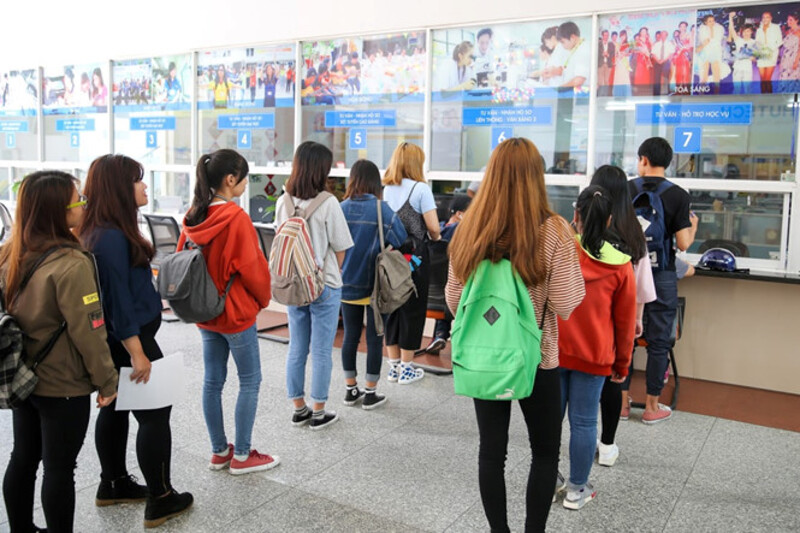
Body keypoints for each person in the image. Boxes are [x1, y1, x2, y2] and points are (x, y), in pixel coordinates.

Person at [445, 137, 584, 532]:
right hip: (538, 356)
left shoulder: (469, 229)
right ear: (536, 177)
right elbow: (566, 302)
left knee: (491, 453)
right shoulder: (554, 230)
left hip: (484, 358)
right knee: (544, 453)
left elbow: (456, 302)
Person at [79, 155, 193, 528]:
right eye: (137, 181)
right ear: (118, 188)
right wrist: (138, 352)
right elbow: (117, 301)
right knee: (155, 414)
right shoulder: (111, 237)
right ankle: (160, 498)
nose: (145, 187)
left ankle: (113, 484)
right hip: (131, 340)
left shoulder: (101, 229)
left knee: (115, 408)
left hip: (119, 340)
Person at [2, 171, 118, 533]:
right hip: (63, 383)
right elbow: (90, 332)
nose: (84, 205)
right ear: (58, 210)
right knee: (58, 468)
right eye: (77, 200)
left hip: (22, 376)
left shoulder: (9, 252)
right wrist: (107, 381)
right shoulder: (72, 264)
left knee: (23, 457)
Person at [178, 149, 277, 474]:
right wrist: (263, 301)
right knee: (250, 380)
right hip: (235, 314)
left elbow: (181, 260)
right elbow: (253, 268)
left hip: (205, 313)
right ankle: (244, 455)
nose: (246, 183)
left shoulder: (193, 216)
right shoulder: (235, 218)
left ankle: (219, 451)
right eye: (244, 177)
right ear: (230, 179)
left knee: (213, 381)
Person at [557, 185, 636, 510]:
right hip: (596, 356)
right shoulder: (621, 266)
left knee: (551, 420)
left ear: (575, 216)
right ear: (609, 222)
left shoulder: (558, 253)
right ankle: (577, 489)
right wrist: (623, 364)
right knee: (585, 421)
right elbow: (625, 323)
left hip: (555, 352)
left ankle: (548, 479)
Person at [275, 141, 353, 429]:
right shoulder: (328, 203)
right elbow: (342, 246)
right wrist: (331, 270)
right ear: (322, 169)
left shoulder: (283, 201)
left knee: (297, 347)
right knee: (321, 350)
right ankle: (319, 411)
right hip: (325, 285)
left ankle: (298, 408)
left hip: (293, 285)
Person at [624, 138, 698, 424]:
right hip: (663, 275)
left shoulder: (627, 189)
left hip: (628, 274)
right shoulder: (678, 195)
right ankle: (653, 407)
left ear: (643, 159)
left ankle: (621, 403)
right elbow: (682, 243)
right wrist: (692, 228)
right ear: (666, 162)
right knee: (658, 342)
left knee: (625, 336)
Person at [590, 165, 656, 466]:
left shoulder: (583, 228)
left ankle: (585, 439)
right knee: (614, 382)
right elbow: (641, 289)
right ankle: (607, 445)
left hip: (584, 321)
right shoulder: (635, 232)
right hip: (620, 323)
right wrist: (636, 322)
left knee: (584, 384)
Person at [339, 160, 407, 410]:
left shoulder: (340, 208)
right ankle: (370, 392)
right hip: (375, 288)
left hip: (345, 285)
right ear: (375, 183)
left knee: (350, 336)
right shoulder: (382, 209)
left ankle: (349, 389)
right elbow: (400, 239)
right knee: (375, 338)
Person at [382, 142, 441, 384]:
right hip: (415, 258)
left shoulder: (386, 188)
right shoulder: (420, 189)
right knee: (413, 308)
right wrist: (436, 237)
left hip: (390, 256)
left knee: (393, 306)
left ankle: (393, 366)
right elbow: (434, 228)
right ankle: (407, 367)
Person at [418, 194, 471, 355]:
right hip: (455, 297)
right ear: (459, 213)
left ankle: (440, 335)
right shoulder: (461, 234)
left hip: (429, 297)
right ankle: (444, 336)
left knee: (445, 292)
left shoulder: (436, 233)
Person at [728, 13, 757, 94]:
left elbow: (756, 58)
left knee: (748, 90)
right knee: (736, 89)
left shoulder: (754, 42)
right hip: (737, 68)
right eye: (744, 31)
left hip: (747, 69)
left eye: (748, 31)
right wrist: (730, 18)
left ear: (751, 32)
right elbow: (732, 29)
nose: (746, 33)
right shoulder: (739, 40)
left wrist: (752, 58)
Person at [756, 11, 782, 93]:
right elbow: (757, 42)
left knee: (767, 79)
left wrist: (770, 49)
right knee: (762, 80)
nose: (765, 19)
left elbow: (780, 41)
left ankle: (770, 98)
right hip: (761, 55)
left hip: (771, 55)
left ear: (771, 18)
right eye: (763, 17)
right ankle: (763, 98)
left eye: (767, 17)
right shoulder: (759, 30)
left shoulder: (776, 27)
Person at [697, 15, 725, 87]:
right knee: (704, 73)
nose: (712, 23)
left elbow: (719, 41)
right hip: (706, 51)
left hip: (715, 51)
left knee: (716, 72)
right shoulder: (703, 29)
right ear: (705, 22)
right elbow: (702, 42)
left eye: (713, 21)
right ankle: (701, 91)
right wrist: (704, 43)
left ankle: (716, 92)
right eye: (710, 21)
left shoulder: (718, 28)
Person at [779, 13, 800, 90]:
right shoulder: (789, 31)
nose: (788, 21)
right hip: (785, 59)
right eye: (788, 19)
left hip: (793, 60)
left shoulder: (799, 32)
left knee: (792, 82)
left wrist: (796, 62)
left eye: (791, 20)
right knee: (783, 79)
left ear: (796, 20)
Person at [651, 30, 675, 95]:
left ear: (667, 36)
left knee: (666, 78)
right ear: (660, 35)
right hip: (657, 62)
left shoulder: (670, 44)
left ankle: (666, 92)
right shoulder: (656, 44)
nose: (663, 36)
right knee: (656, 79)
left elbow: (671, 54)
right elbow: (653, 54)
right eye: (662, 35)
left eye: (664, 35)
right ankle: (656, 94)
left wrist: (663, 60)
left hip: (666, 62)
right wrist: (658, 60)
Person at [672, 22, 694, 89]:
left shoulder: (689, 35)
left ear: (686, 27)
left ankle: (685, 90)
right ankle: (678, 89)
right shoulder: (677, 36)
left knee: (685, 72)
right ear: (679, 27)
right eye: (681, 26)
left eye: (684, 26)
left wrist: (684, 48)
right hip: (678, 56)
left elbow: (691, 44)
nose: (682, 28)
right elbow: (675, 47)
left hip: (685, 56)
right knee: (678, 73)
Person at [632, 28, 653, 94]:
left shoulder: (648, 40)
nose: (644, 33)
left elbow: (652, 49)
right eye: (642, 31)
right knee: (640, 75)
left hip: (647, 61)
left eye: (645, 31)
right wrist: (640, 50)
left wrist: (650, 41)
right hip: (640, 60)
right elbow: (632, 49)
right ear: (640, 32)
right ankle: (638, 90)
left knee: (646, 75)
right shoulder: (638, 40)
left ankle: (645, 90)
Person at [612, 30, 632, 97]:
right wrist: (618, 55)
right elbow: (616, 54)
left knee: (625, 77)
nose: (622, 37)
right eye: (621, 35)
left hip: (625, 63)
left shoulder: (628, 44)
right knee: (618, 78)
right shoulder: (618, 44)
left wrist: (624, 54)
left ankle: (626, 94)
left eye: (624, 35)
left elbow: (630, 53)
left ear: (626, 36)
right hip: (619, 63)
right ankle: (618, 94)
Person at [598, 30, 616, 96]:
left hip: (608, 65)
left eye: (607, 35)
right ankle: (600, 96)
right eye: (605, 35)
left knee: (607, 81)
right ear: (602, 35)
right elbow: (595, 54)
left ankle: (605, 96)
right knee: (600, 81)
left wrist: (608, 55)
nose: (606, 37)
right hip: (600, 64)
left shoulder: (611, 44)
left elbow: (613, 53)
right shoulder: (598, 44)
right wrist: (602, 54)